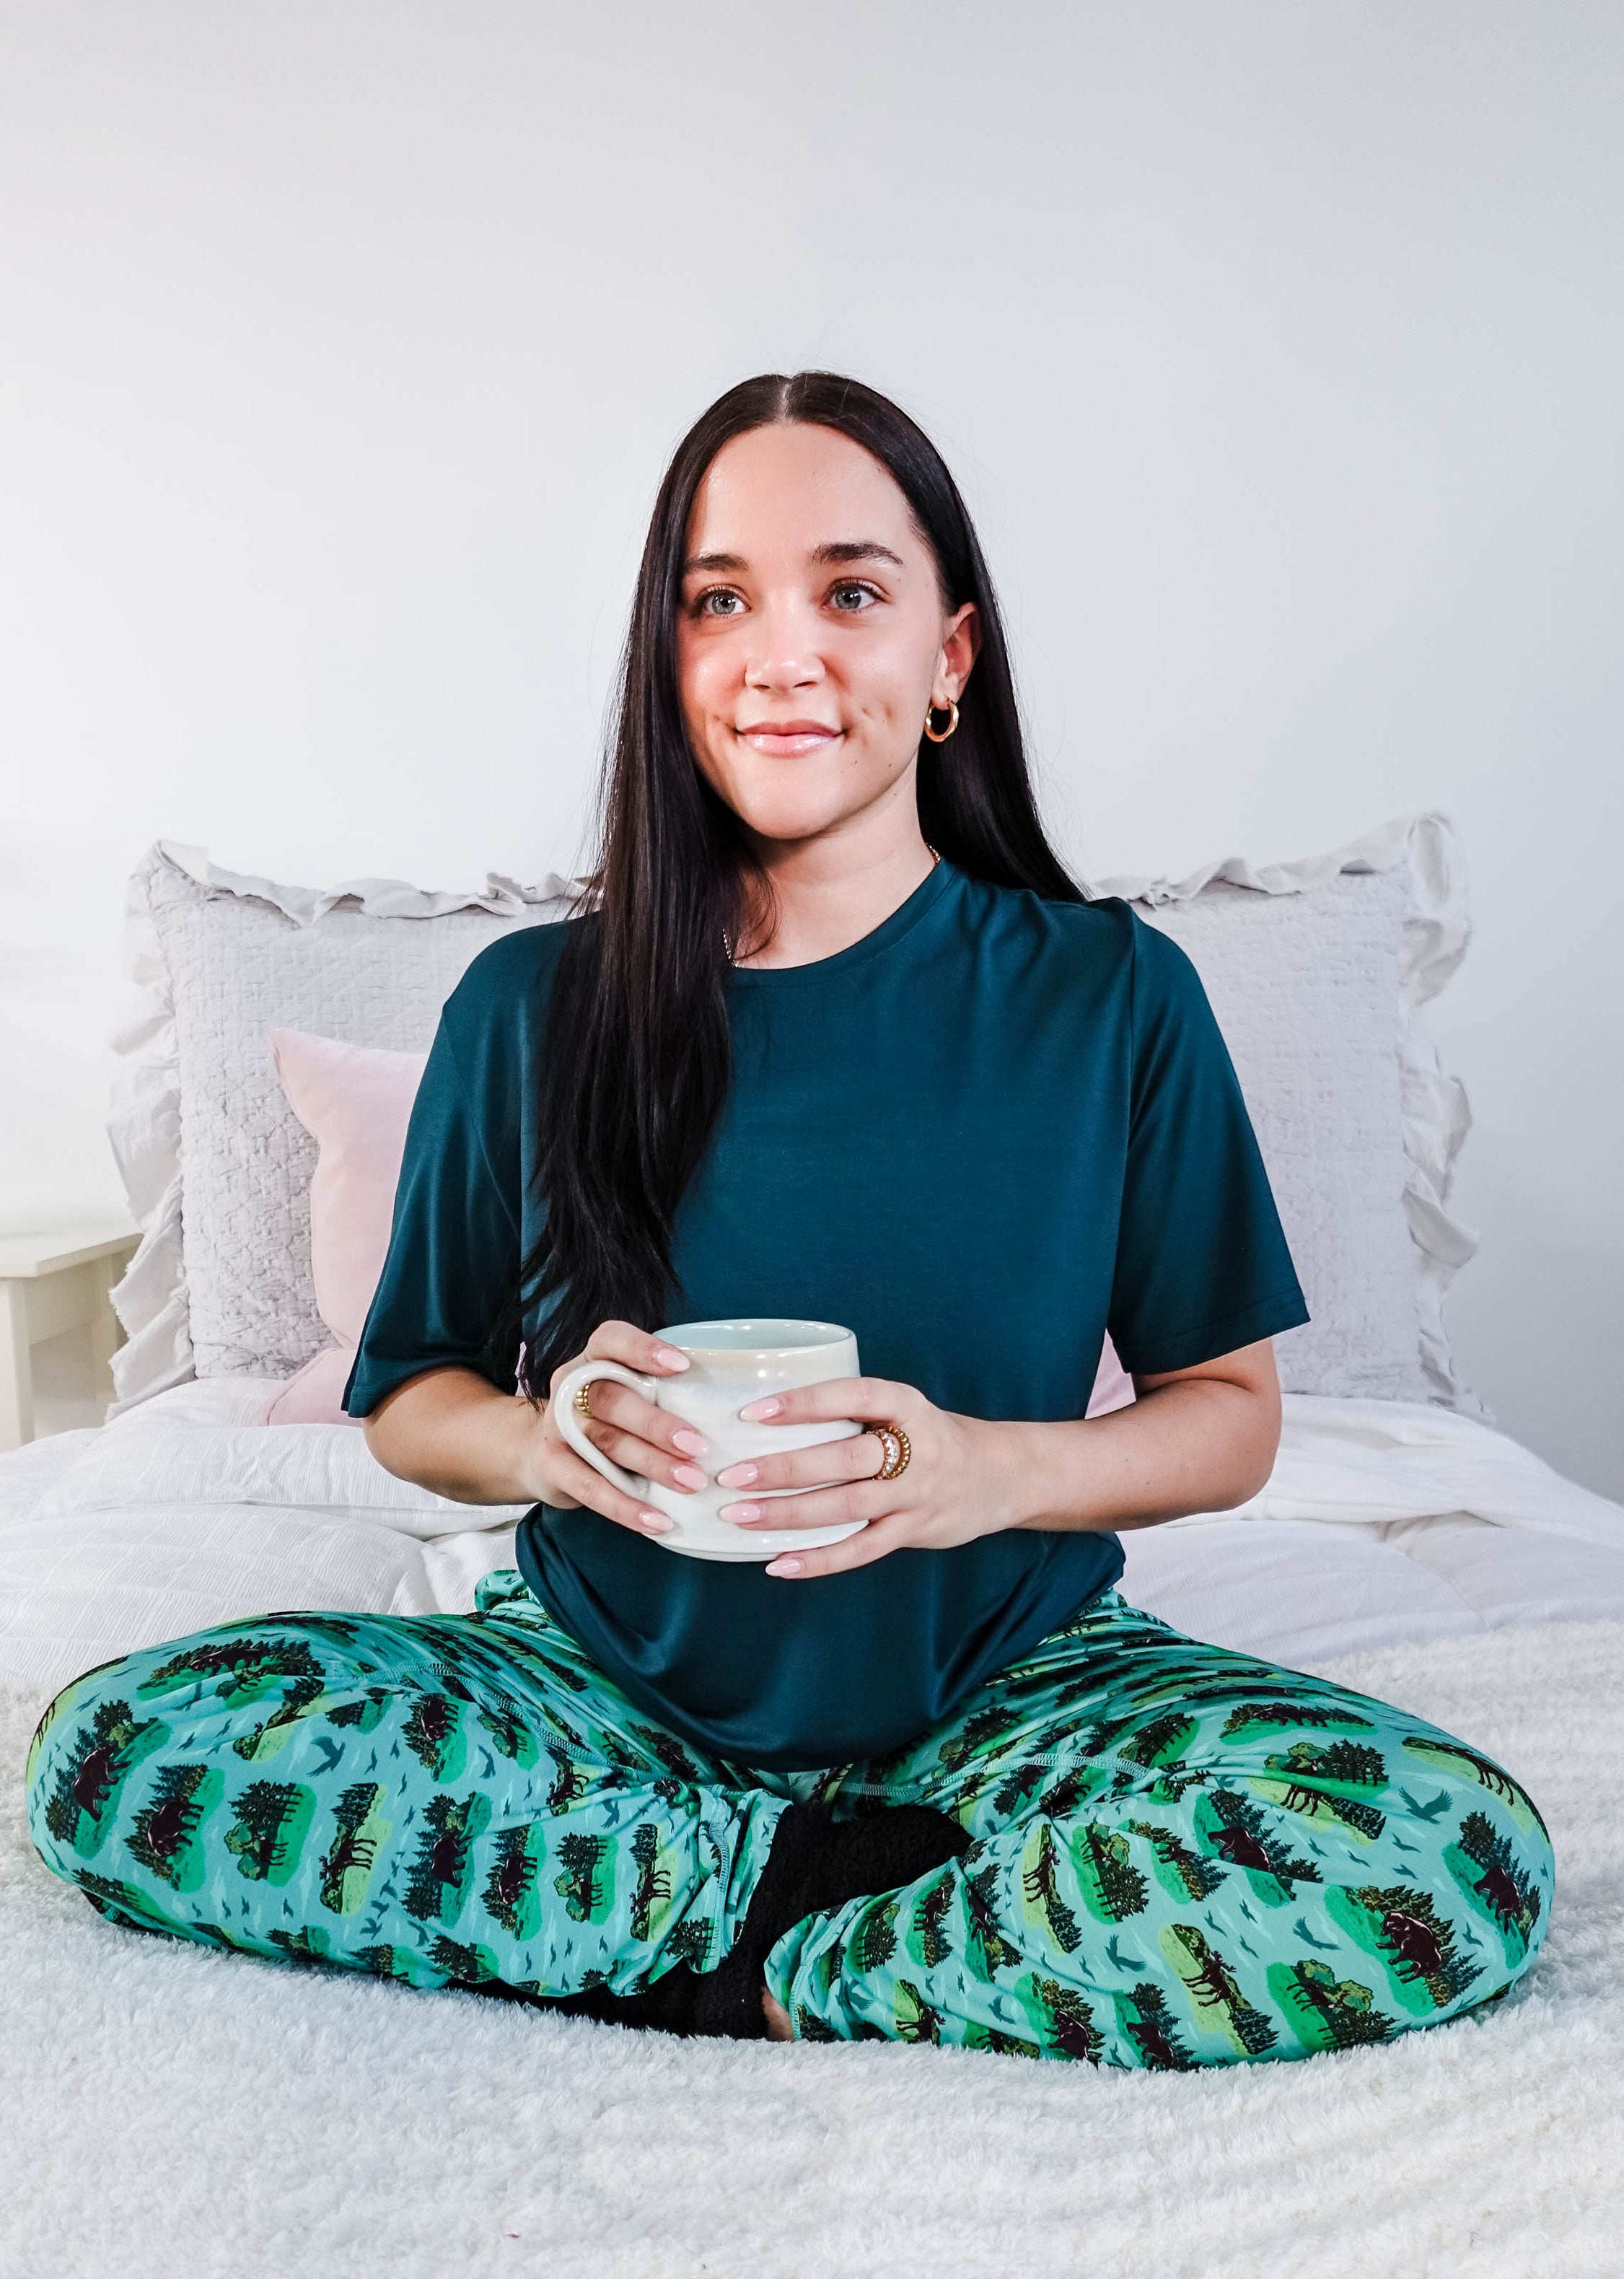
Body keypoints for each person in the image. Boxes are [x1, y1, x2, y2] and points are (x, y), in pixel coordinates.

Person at [26, 375, 1553, 2064]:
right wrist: (550, 1448)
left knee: (1443, 1850)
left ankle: (766, 1958)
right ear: (667, 662)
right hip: (602, 1683)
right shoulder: (529, 1007)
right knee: (124, 1749)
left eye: (849, 593)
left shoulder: (1113, 995)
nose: (780, 655)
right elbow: (410, 1399)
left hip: (1010, 1677)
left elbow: (1229, 1421)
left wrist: (987, 1472)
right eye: (717, 601)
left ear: (947, 657)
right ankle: (816, 1894)